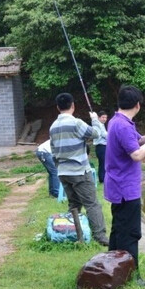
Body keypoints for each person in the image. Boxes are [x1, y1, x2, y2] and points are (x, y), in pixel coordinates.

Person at [104, 85, 145, 287]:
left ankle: (112, 269)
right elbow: (136, 154)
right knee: (130, 234)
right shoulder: (122, 125)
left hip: (119, 188)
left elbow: (136, 142)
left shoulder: (118, 121)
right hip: (125, 190)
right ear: (137, 105)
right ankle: (131, 277)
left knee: (118, 231)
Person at [49, 92, 109, 246]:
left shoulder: (53, 127)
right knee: (92, 204)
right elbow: (96, 134)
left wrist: (60, 167)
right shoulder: (76, 123)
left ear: (57, 107)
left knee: (74, 205)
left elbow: (53, 151)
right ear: (73, 106)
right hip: (80, 171)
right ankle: (100, 237)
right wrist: (95, 119)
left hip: (63, 172)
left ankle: (74, 235)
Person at [93, 110, 108, 183]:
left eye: (105, 117)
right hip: (101, 146)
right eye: (103, 117)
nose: (104, 119)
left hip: (103, 146)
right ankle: (102, 178)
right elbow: (104, 135)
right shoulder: (98, 125)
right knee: (103, 162)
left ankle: (103, 177)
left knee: (103, 162)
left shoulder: (102, 125)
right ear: (98, 117)